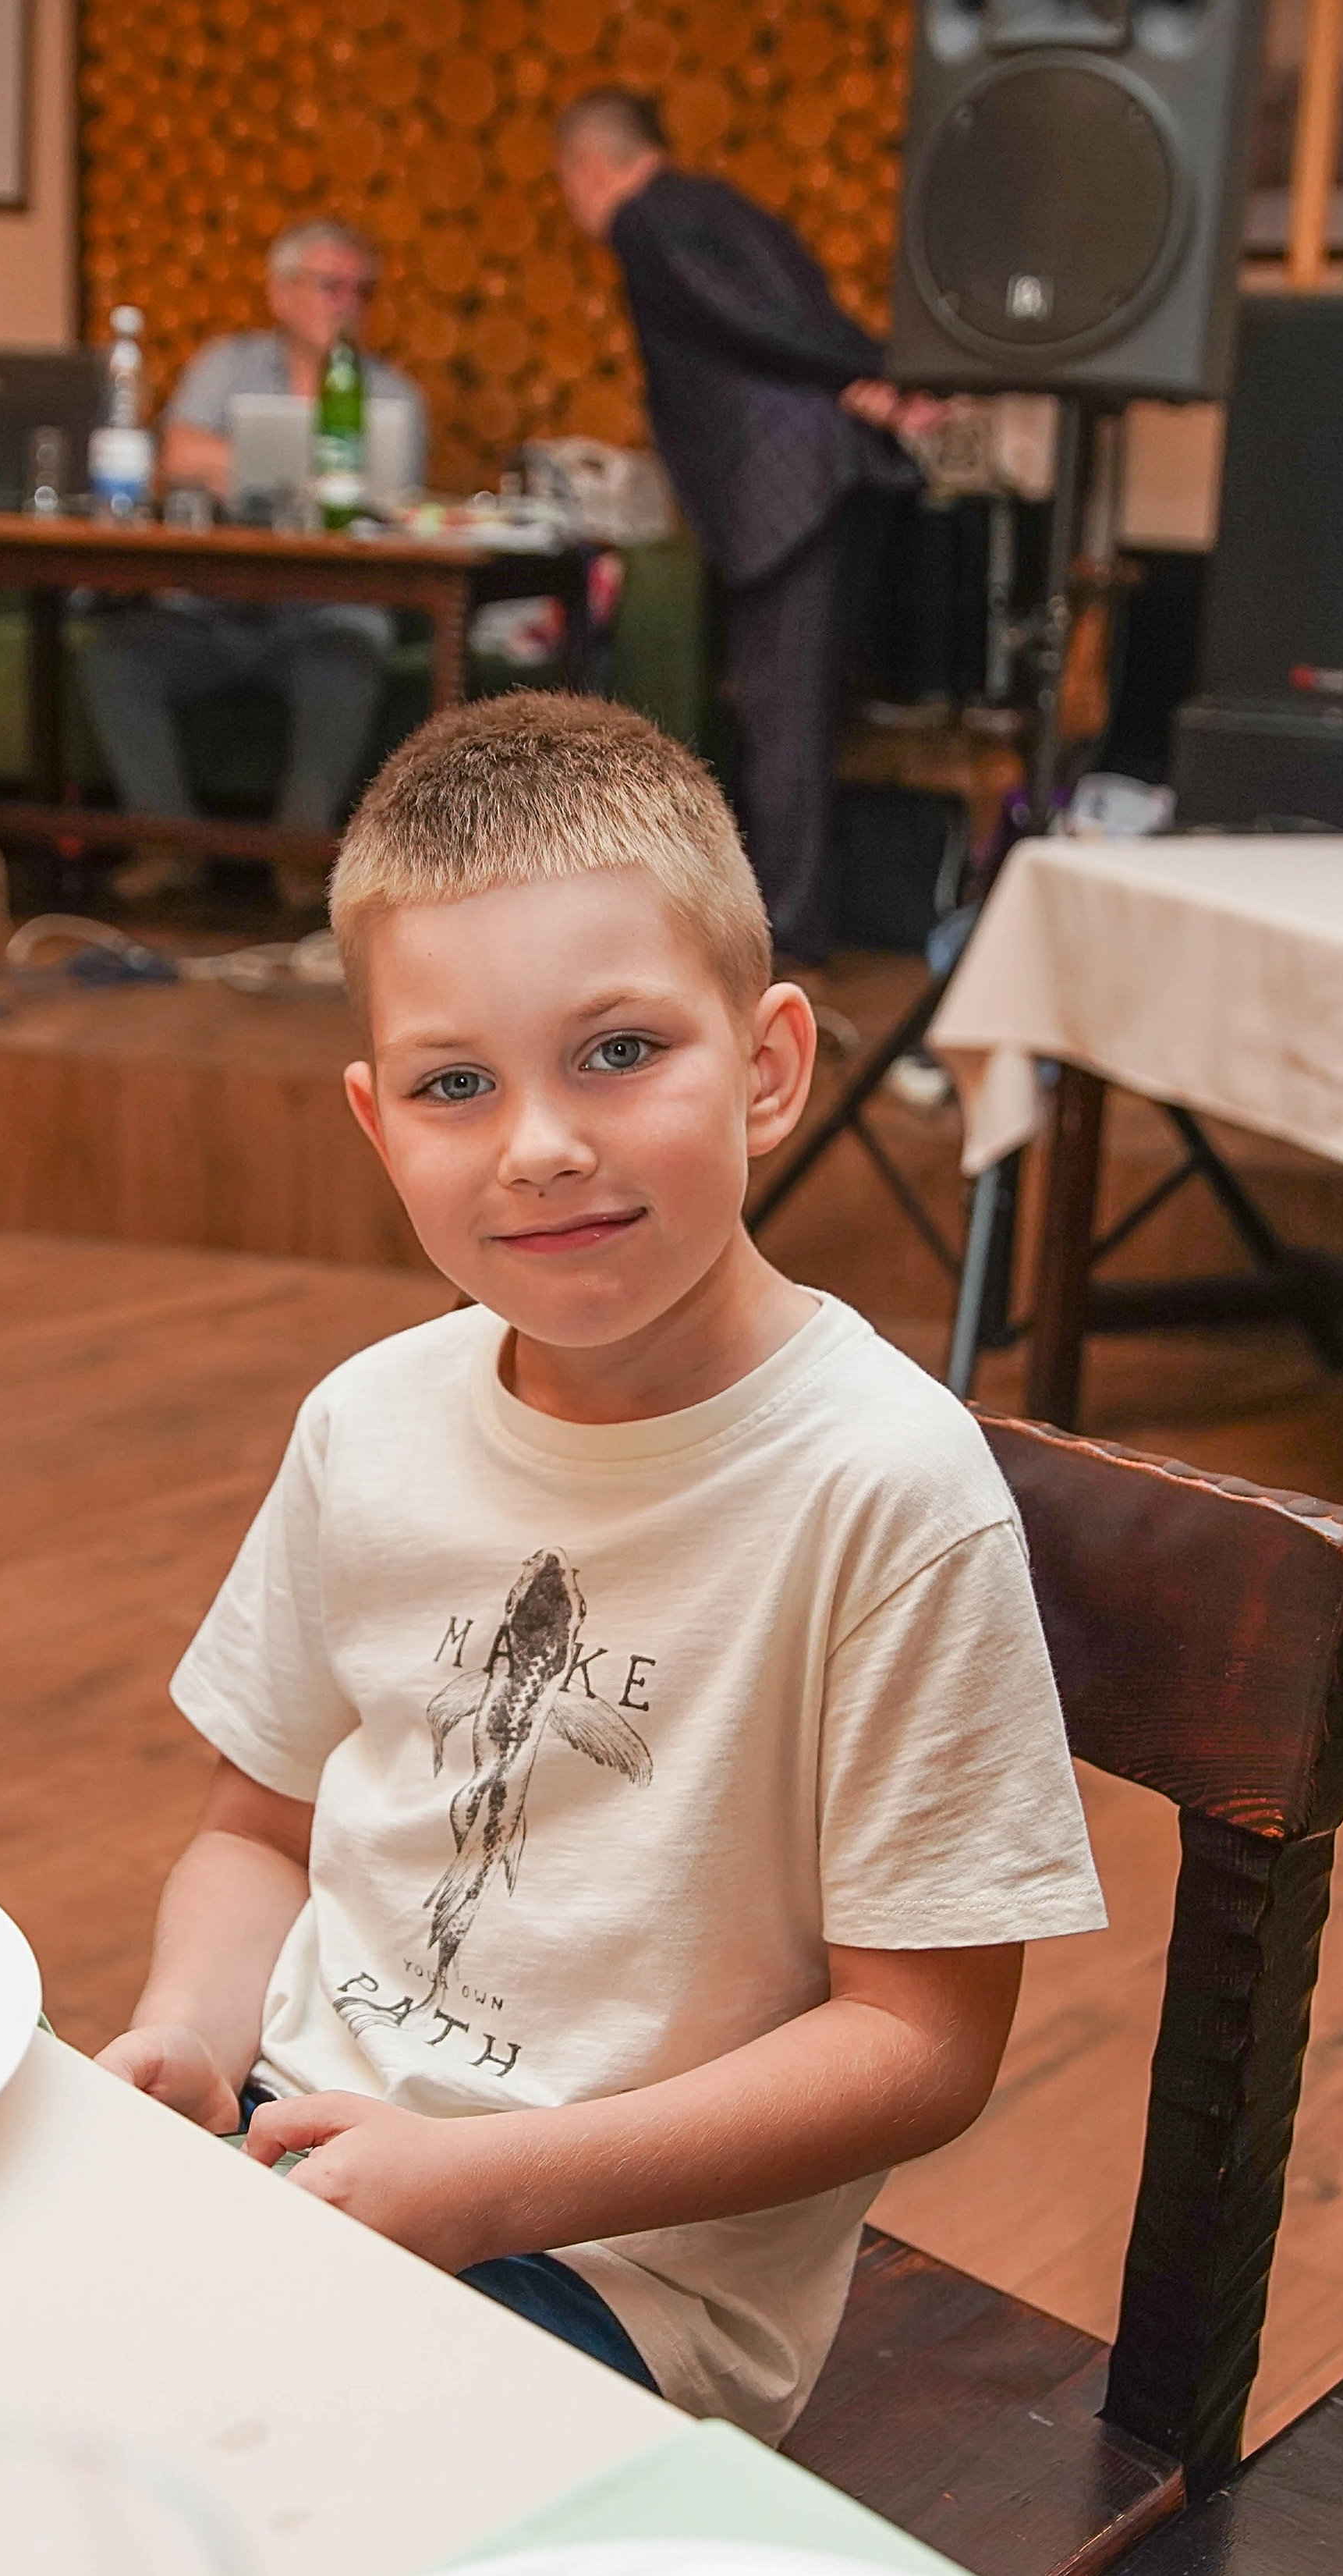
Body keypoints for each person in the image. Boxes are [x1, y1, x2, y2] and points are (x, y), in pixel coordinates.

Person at [96, 693, 1104, 2439]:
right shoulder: (368, 1421)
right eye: (454, 1086)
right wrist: (189, 2038)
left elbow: (920, 2045)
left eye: (618, 1052)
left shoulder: (883, 1489)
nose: (539, 1143)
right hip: (299, 2140)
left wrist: (485, 2187)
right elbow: (253, 1827)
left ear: (770, 1065)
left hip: (609, 2274)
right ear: (375, 1122)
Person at [555, 89, 936, 967]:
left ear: (588, 166)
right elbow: (796, 319)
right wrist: (869, 380)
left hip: (780, 491)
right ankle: (787, 924)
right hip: (826, 477)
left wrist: (875, 372)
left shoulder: (646, 221)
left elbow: (743, 324)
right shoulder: (720, 205)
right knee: (799, 713)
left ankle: (781, 940)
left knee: (781, 719)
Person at [84, 219, 428, 914]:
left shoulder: (395, 396)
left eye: (363, 290)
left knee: (355, 647)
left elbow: (394, 504)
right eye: (331, 285)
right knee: (114, 659)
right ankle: (166, 842)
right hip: (209, 608)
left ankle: (299, 854)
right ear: (280, 293)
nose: (348, 302)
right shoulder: (225, 364)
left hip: (323, 615)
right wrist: (309, 471)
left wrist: (239, 467)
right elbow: (176, 457)